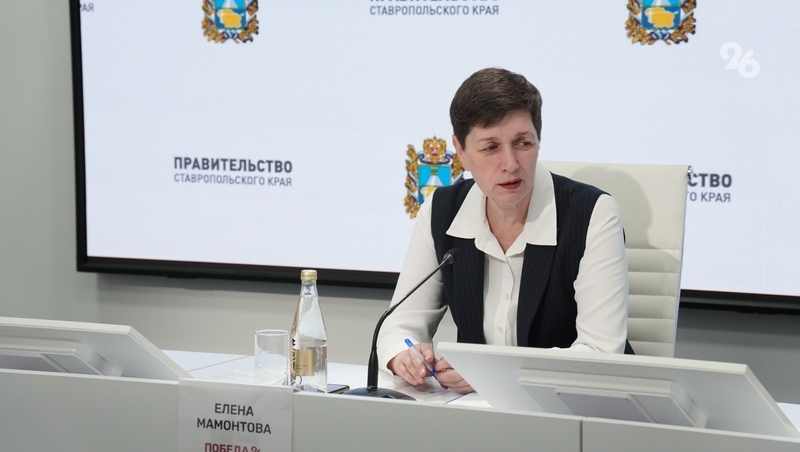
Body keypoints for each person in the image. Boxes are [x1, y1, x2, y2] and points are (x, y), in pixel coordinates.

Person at [377, 68, 629, 393]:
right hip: (478, 410)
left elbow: (601, 354)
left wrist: (491, 374)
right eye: (490, 147)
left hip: (574, 407)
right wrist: (404, 356)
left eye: (523, 143)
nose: (510, 163)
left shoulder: (593, 214)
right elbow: (398, 325)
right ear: (461, 151)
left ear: (538, 140)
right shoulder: (441, 212)